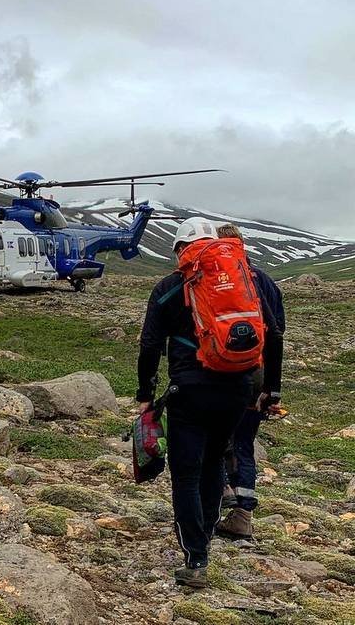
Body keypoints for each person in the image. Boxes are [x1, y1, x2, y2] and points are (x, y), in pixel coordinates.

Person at [136, 217, 283, 588]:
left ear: (180, 250)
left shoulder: (169, 287)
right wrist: (272, 389)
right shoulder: (245, 281)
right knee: (216, 459)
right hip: (237, 391)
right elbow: (274, 334)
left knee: (186, 473)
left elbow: (150, 344)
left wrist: (145, 395)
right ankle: (206, 532)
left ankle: (196, 557)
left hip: (189, 393)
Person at [215, 223, 286, 539]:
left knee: (214, 440)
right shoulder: (266, 282)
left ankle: (216, 501)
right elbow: (277, 333)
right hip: (257, 376)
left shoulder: (214, 280)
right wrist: (273, 388)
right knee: (243, 443)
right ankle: (243, 516)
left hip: (221, 375)